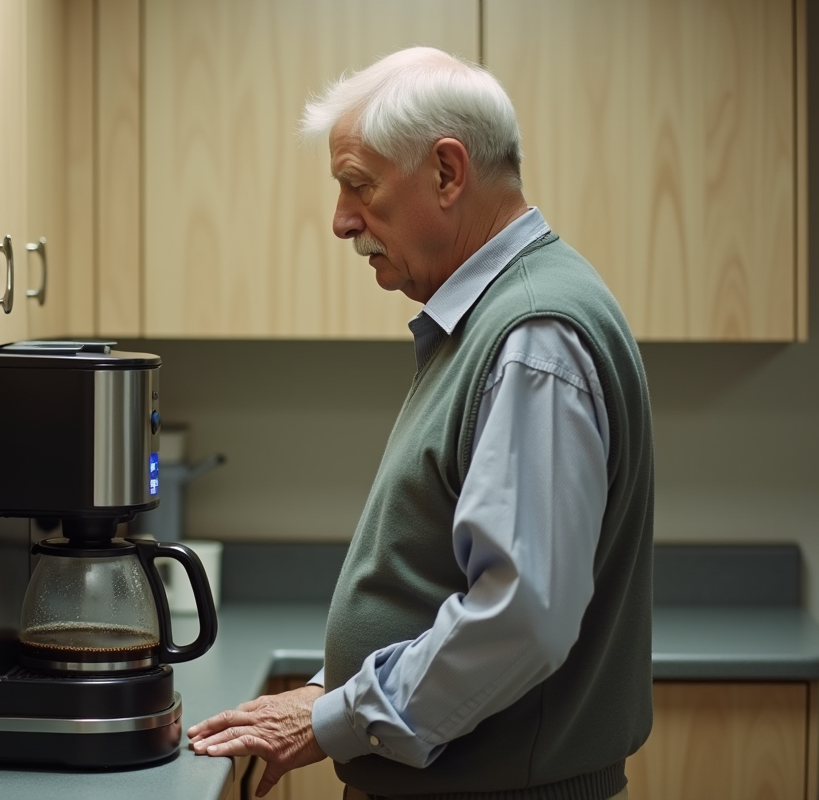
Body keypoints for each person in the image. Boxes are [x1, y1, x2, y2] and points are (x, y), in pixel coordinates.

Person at [187, 46, 654, 800]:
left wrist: (336, 720)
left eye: (357, 186)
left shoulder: (531, 335)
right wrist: (329, 693)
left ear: (446, 171)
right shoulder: (490, 320)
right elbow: (440, 579)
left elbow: (518, 618)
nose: (341, 221)